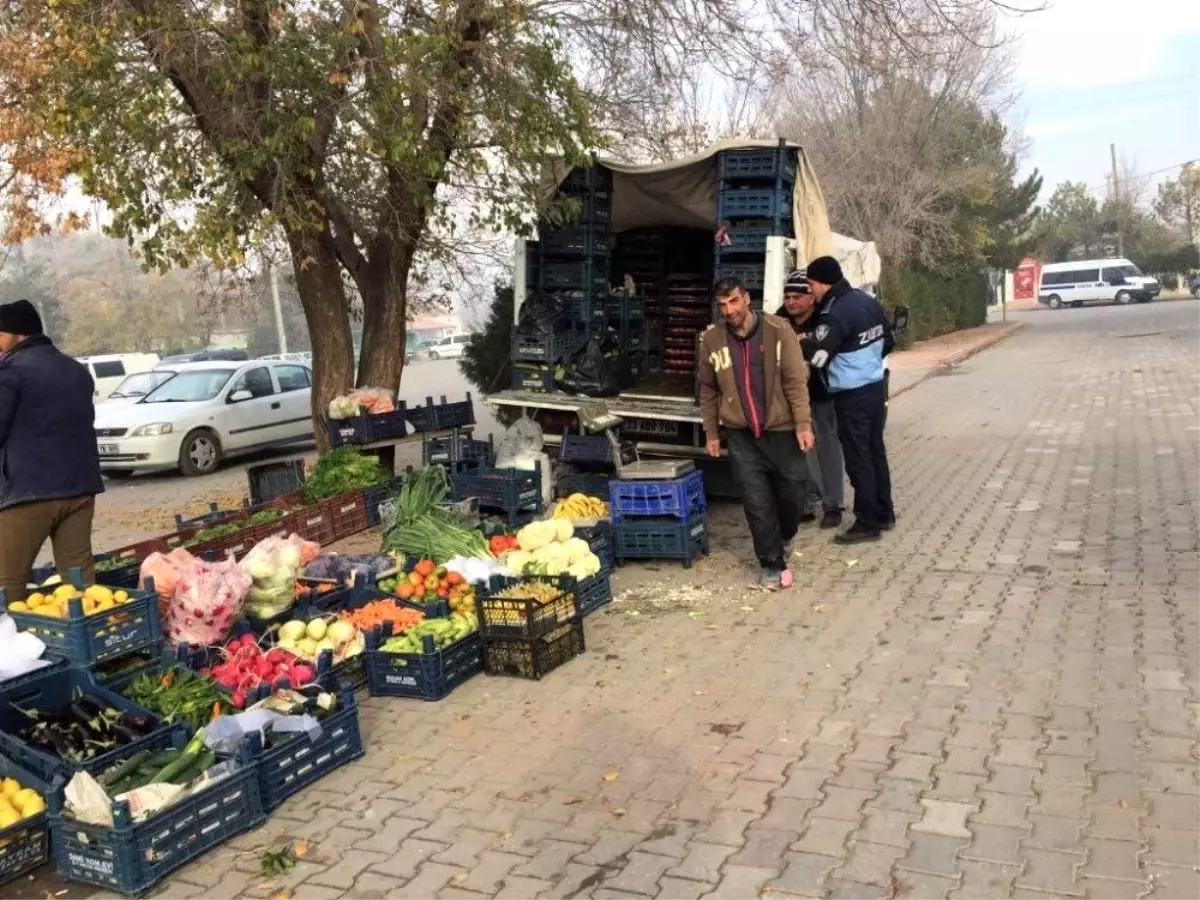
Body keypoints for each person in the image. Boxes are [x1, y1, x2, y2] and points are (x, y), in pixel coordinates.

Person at [698, 277, 815, 588]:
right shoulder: (712, 340)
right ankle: (771, 564)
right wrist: (711, 432)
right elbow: (708, 389)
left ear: (747, 299)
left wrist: (803, 424)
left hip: (782, 429)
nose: (729, 310)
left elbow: (794, 381)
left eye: (734, 301)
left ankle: (786, 536)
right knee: (756, 501)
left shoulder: (779, 330)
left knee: (793, 492)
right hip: (741, 435)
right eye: (722, 305)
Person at [0, 299, 105, 601]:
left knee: (7, 583)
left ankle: (11, 645)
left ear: (17, 334)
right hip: (80, 489)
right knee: (80, 584)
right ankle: (85, 642)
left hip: (28, 493)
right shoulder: (76, 370)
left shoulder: (10, 371)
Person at [801, 256, 895, 544]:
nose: (810, 291)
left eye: (810, 285)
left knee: (858, 459)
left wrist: (802, 341)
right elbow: (888, 340)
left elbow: (819, 356)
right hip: (874, 388)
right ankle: (883, 512)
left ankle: (867, 523)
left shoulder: (834, 313)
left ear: (820, 283)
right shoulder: (865, 301)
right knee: (875, 451)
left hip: (851, 395)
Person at [777, 269, 844, 529]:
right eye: (787, 296)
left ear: (811, 298)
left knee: (827, 453)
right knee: (798, 454)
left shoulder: (825, 320)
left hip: (821, 395)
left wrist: (804, 344)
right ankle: (805, 502)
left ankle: (833, 506)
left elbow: (828, 351)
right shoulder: (778, 320)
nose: (791, 302)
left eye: (797, 296)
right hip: (790, 399)